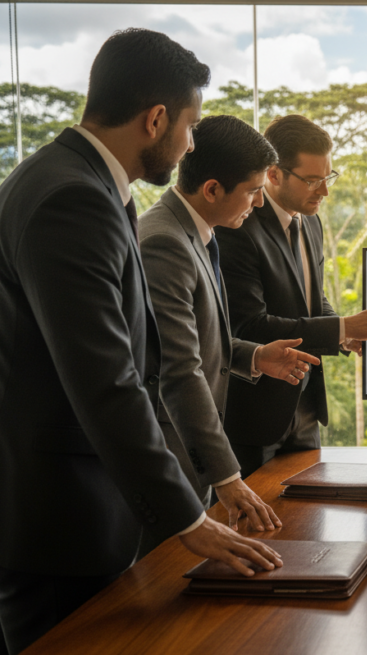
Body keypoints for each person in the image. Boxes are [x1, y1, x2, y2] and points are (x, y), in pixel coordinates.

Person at [0, 29, 282, 655]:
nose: (192, 142)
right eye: (192, 125)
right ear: (156, 119)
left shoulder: (74, 180)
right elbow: (107, 381)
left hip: (64, 511)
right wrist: (188, 518)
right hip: (56, 519)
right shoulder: (74, 199)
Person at [138, 114, 324, 549]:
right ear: (212, 189)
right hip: (174, 458)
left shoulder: (200, 232)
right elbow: (179, 369)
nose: (260, 203)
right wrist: (227, 477)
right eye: (254, 190)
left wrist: (255, 356)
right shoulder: (165, 243)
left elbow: (199, 339)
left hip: (188, 460)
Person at [216, 115, 367, 477]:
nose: (325, 192)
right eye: (312, 180)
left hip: (304, 410)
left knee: (309, 521)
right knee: (261, 528)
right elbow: (250, 325)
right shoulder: (240, 227)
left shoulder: (311, 221)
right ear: (273, 174)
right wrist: (340, 327)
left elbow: (312, 301)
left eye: (328, 177)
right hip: (255, 417)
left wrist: (346, 334)